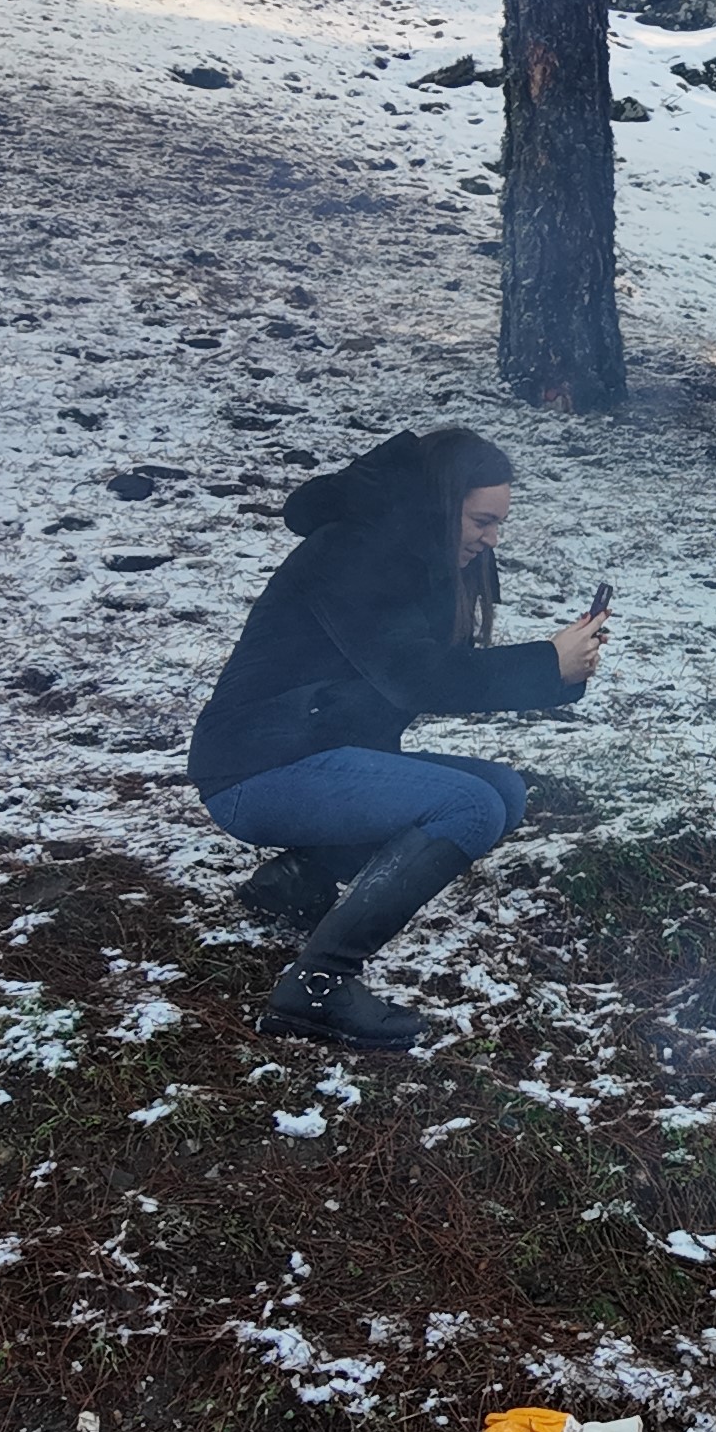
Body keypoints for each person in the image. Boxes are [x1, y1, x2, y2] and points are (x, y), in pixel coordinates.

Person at [187, 427, 609, 1052]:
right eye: (482, 521)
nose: (493, 539)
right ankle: (320, 985)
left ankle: (300, 879)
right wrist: (547, 663)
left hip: (310, 755)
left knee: (502, 789)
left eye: (500, 524)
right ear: (441, 504)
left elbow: (426, 674)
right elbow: (413, 676)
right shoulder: (354, 552)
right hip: (254, 770)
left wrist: (559, 670)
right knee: (468, 805)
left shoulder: (410, 556)